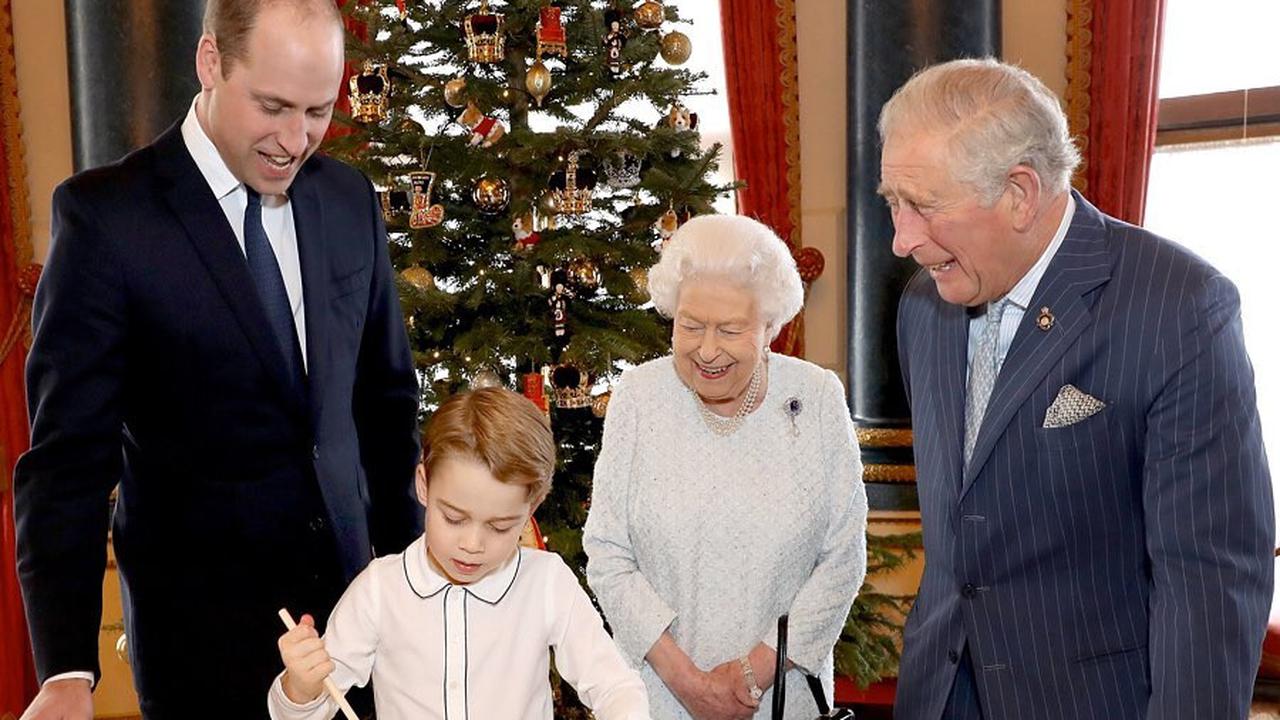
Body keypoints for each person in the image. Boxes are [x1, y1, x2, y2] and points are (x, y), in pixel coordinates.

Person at [15, 1, 421, 718]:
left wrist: (415, 593)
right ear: (210, 63)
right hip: (203, 650)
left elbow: (386, 412)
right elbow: (67, 465)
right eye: (273, 106)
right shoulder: (107, 220)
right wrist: (67, 670)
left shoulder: (348, 199)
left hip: (360, 631)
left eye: (318, 112)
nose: (296, 141)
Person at [880, 58, 1275, 720]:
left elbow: (1210, 581)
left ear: (1020, 192)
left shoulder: (1178, 306)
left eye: (923, 206)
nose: (902, 239)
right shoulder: (923, 305)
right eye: (893, 202)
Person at [583, 214, 868, 719]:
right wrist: (688, 683)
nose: (707, 350)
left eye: (731, 330)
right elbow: (607, 553)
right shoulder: (639, 398)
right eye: (690, 326)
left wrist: (748, 674)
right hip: (657, 697)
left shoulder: (817, 398)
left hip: (783, 697)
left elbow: (843, 559)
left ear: (771, 329)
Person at [270, 386, 651, 720]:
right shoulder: (379, 589)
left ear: (531, 508)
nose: (472, 544)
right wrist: (301, 687)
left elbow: (614, 684)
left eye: (500, 527)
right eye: (453, 518)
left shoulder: (546, 581)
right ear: (424, 485)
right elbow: (307, 710)